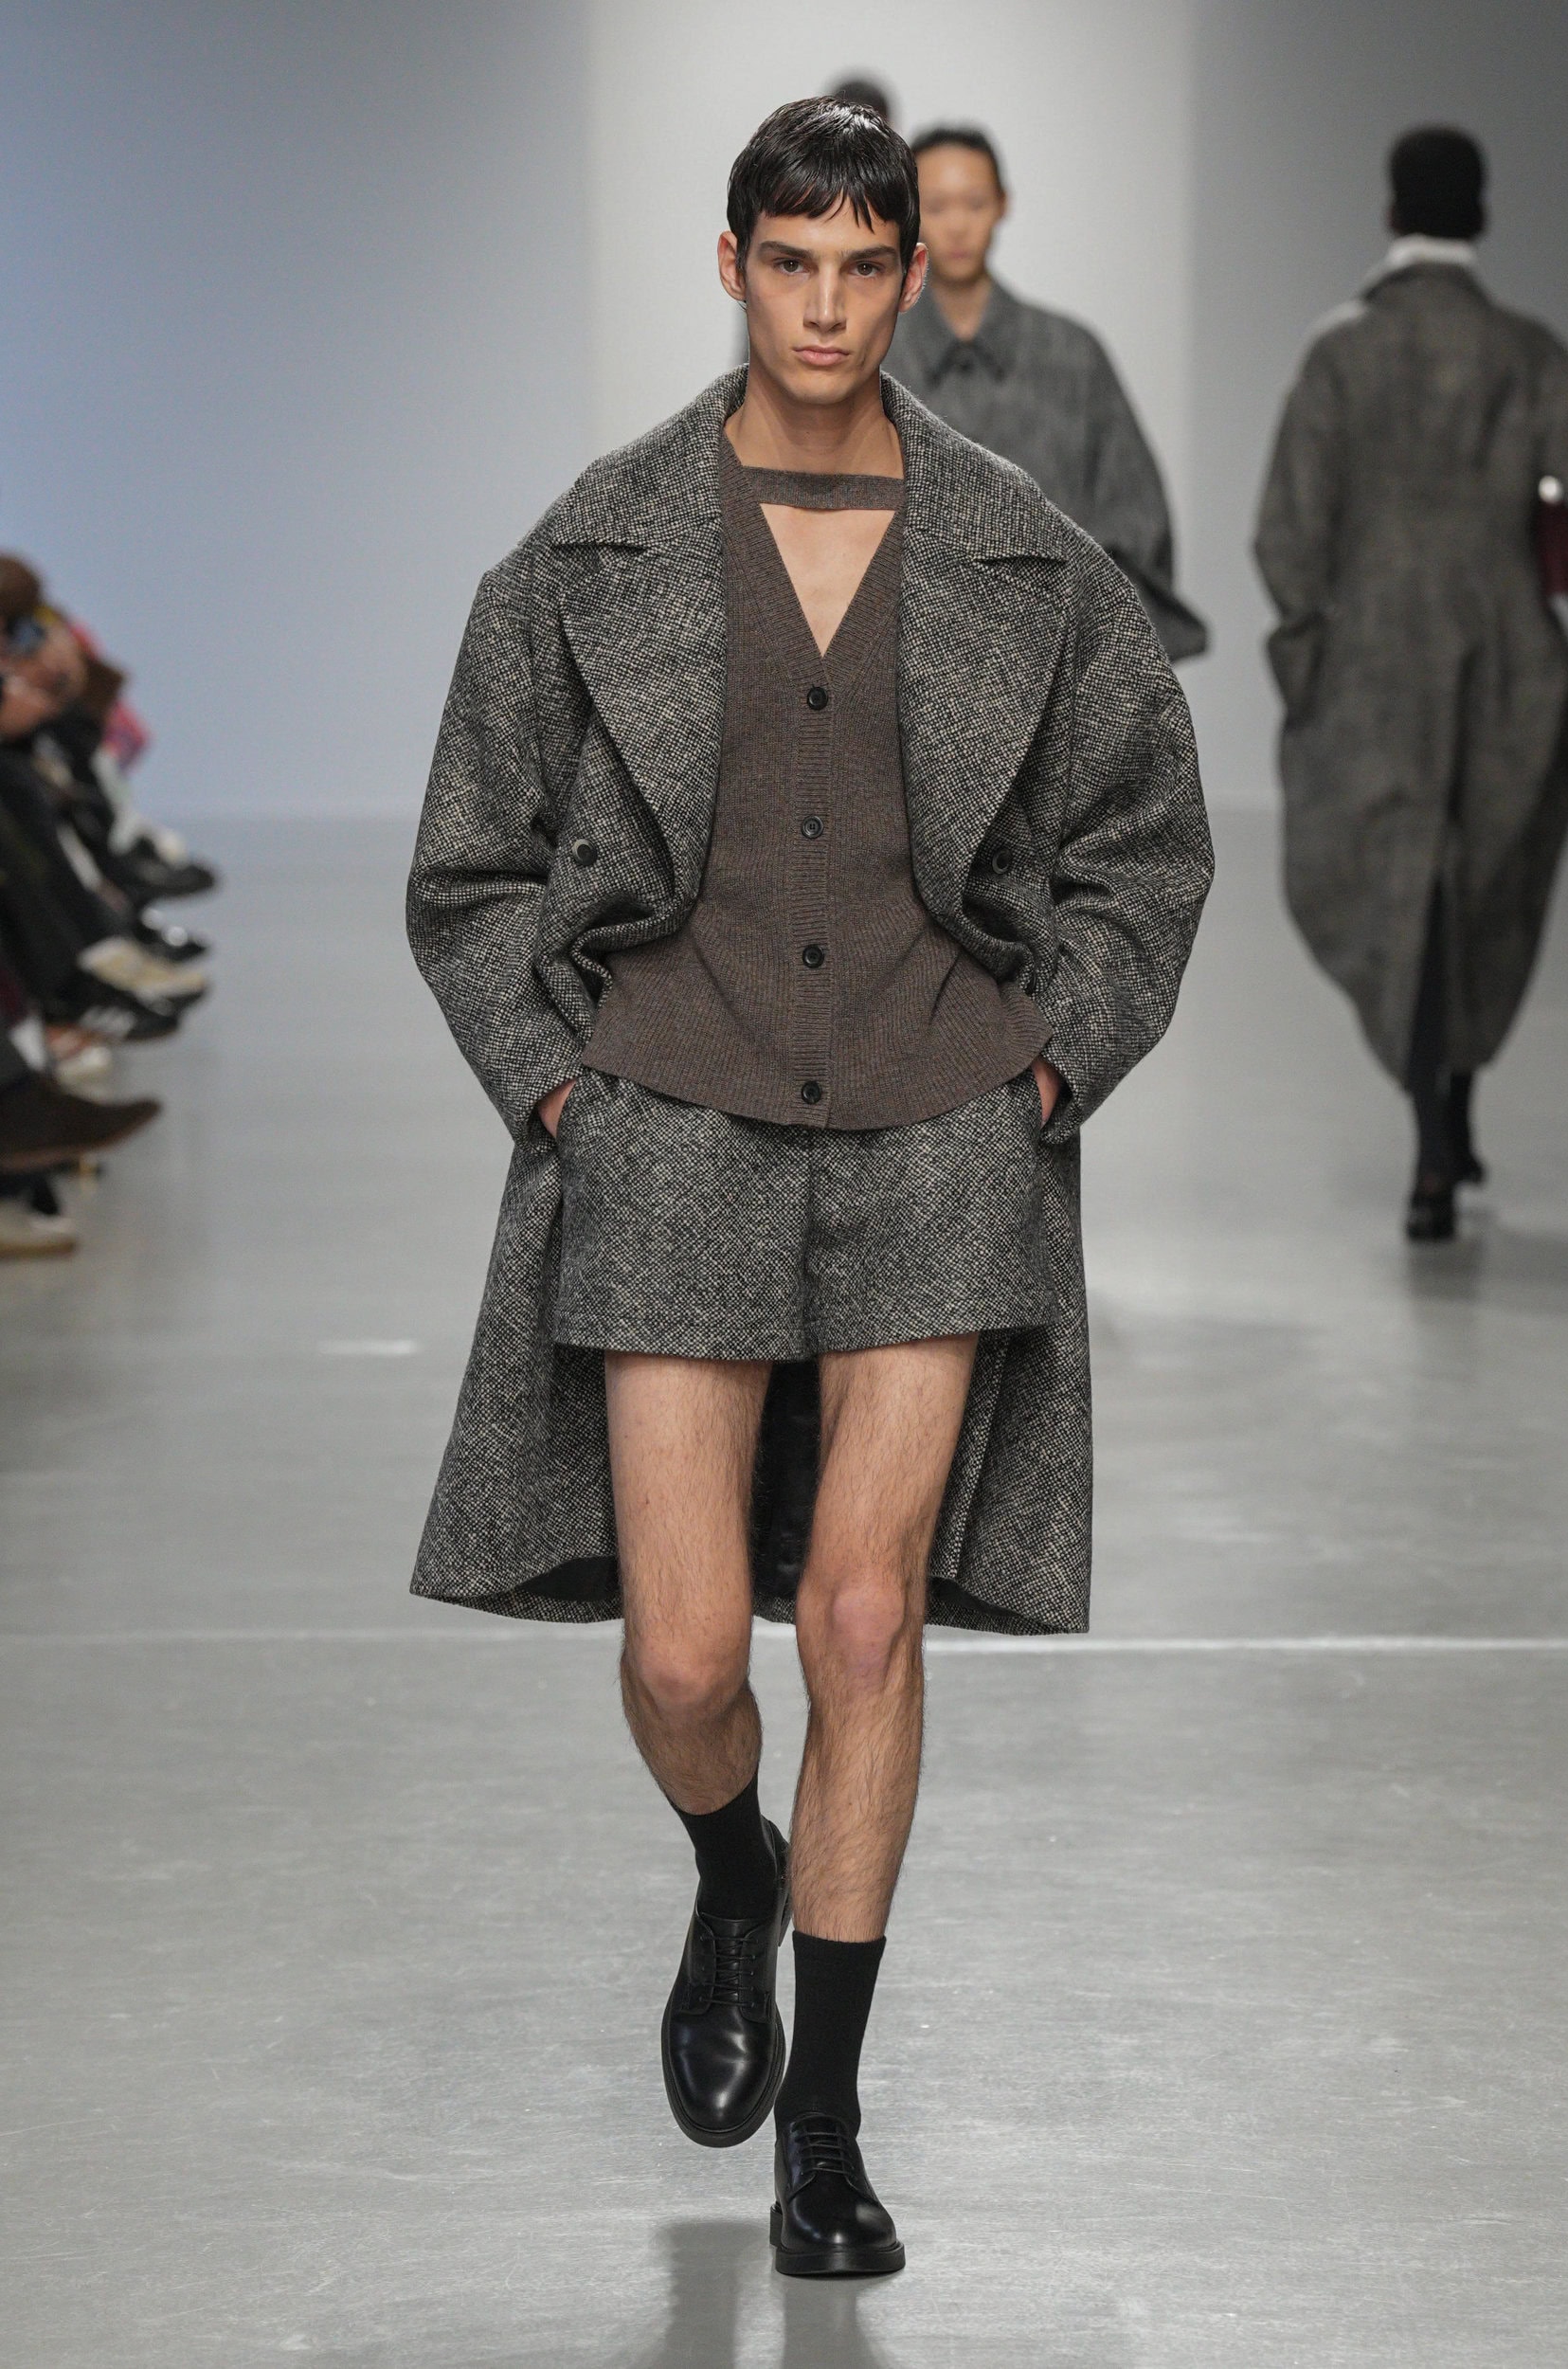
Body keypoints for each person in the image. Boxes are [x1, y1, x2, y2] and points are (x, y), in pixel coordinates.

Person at [407, 97, 1210, 2279]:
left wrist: (1050, 1060)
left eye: (865, 267)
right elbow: (471, 863)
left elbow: (1144, 842)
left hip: (941, 1127)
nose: (832, 308)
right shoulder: (591, 547)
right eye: (794, 265)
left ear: (905, 272)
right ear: (734, 265)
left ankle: (826, 2137)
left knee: (863, 1615)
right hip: (670, 1118)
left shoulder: (1026, 552)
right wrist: (557, 1093)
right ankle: (730, 1866)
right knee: (685, 1653)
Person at [1254, 127, 1568, 1241]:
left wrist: (1307, 657)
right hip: (1510, 660)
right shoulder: (1527, 354)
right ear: (1478, 215)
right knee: (1482, 882)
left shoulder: (1338, 355)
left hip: (1371, 662)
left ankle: (1432, 1141)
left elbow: (1286, 529)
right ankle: (1453, 1112)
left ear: (1390, 213)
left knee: (1399, 894)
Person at [885, 123, 1207, 662]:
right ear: (910, 215)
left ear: (1003, 204)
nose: (958, 225)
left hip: (1059, 672)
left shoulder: (1072, 356)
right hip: (903, 670)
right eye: (936, 206)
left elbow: (1137, 527)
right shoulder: (880, 358)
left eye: (975, 203)